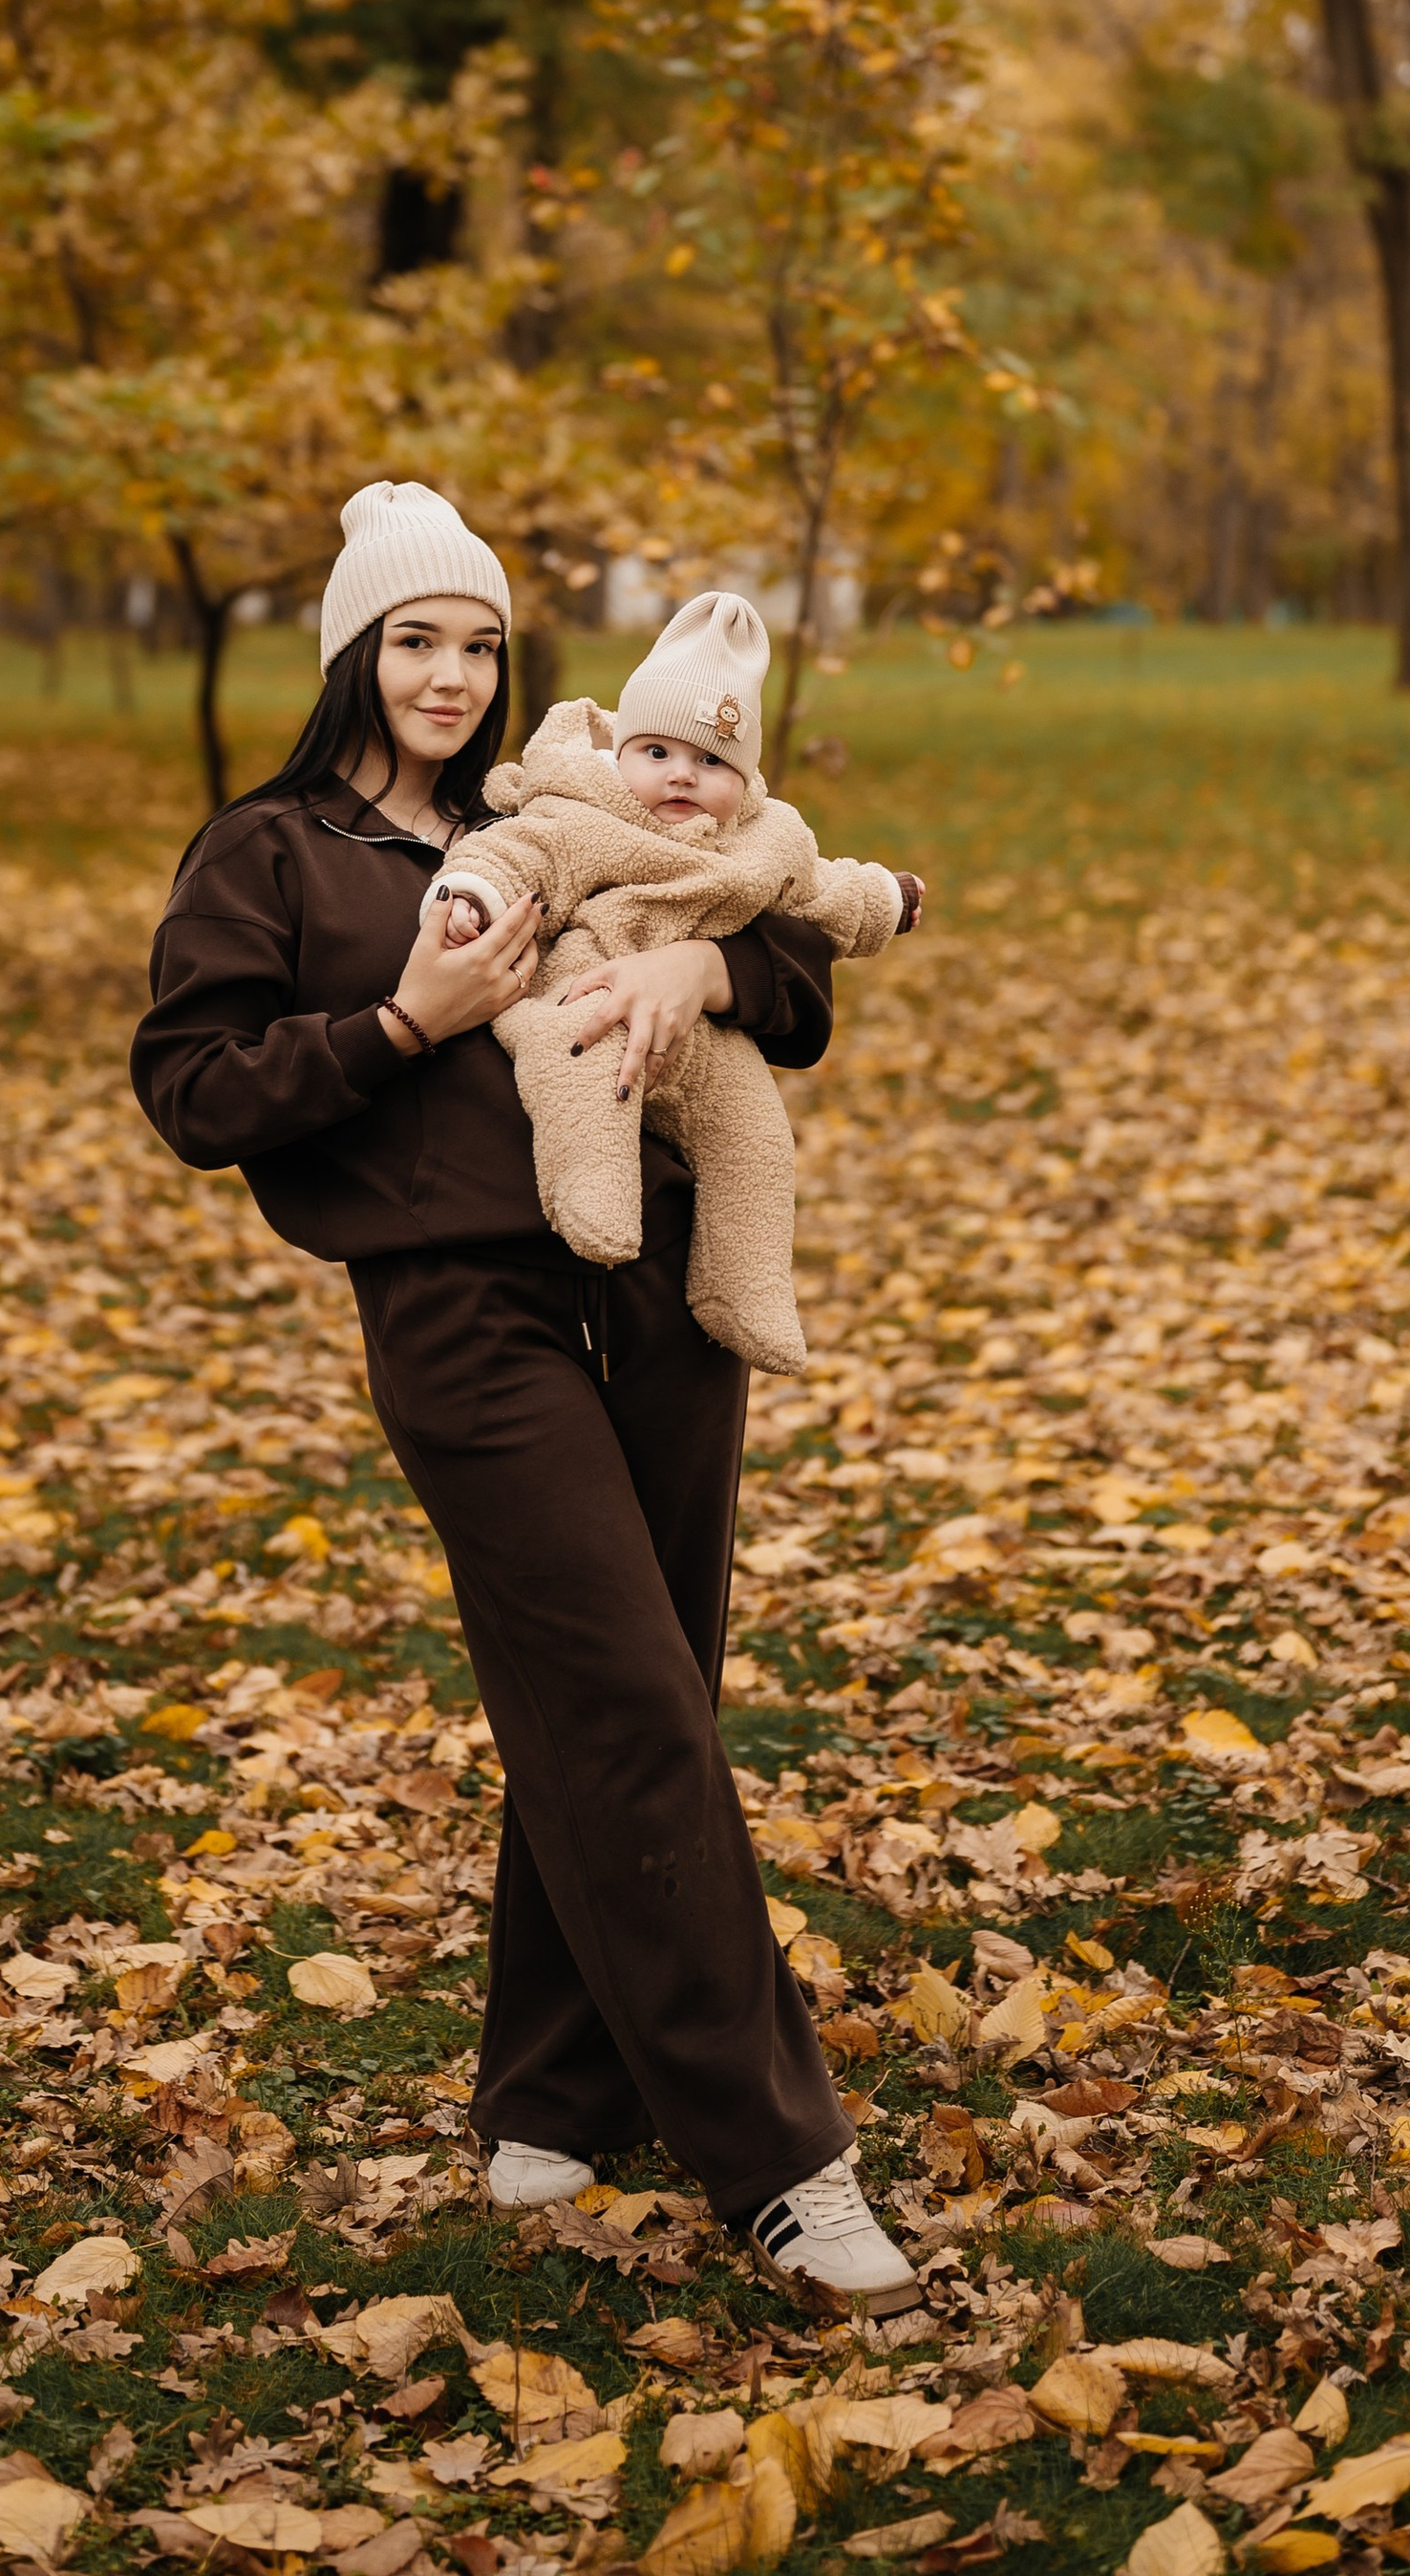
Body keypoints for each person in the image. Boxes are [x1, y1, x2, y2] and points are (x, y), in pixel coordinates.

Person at [132, 479, 921, 2312]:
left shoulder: (546, 802)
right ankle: (782, 2158)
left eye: (480, 644)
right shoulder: (268, 850)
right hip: (461, 1308)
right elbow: (195, 1089)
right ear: (353, 648)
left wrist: (699, 960)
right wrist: (402, 1018)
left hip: (660, 1275)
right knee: (623, 1689)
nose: (452, 674)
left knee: (645, 1682)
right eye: (417, 639)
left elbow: (789, 957)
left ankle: (557, 2086)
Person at [424, 590, 925, 1376]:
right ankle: (590, 1187)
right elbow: (514, 856)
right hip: (588, 988)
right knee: (581, 1064)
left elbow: (821, 892)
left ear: (745, 780)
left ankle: (743, 1287)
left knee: (756, 1140)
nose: (682, 775)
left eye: (711, 761)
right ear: (621, 752)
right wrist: (471, 899)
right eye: (657, 752)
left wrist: (886, 900)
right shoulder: (581, 814)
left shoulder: (764, 839)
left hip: (706, 1040)